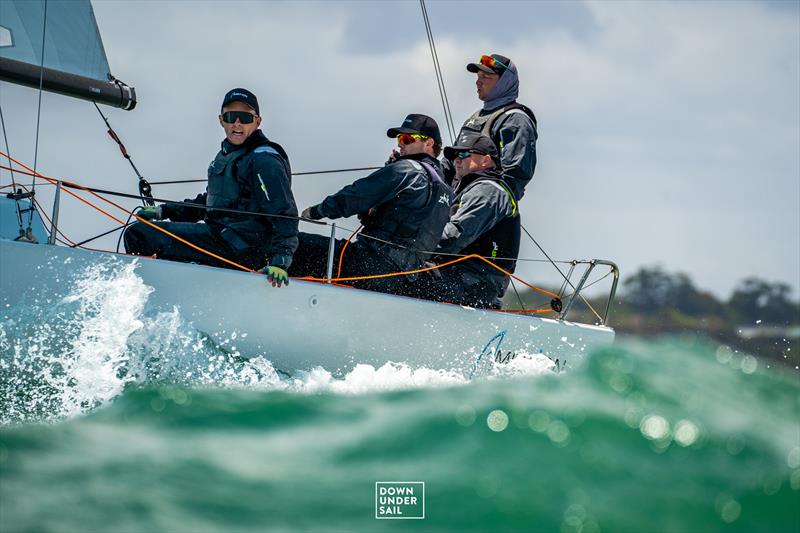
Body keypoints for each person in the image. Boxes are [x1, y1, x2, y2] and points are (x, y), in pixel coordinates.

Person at [124, 88, 298, 287]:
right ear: (221, 120)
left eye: (244, 117)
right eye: (231, 116)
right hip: (222, 237)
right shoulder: (230, 154)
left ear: (257, 121)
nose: (237, 123)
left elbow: (284, 213)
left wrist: (281, 261)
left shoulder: (264, 159)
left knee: (140, 234)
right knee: (148, 233)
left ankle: (142, 291)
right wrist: (164, 210)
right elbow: (211, 201)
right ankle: (163, 288)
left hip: (242, 246)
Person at [289, 113, 453, 294]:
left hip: (370, 263)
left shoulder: (407, 170)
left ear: (428, 143)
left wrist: (317, 211)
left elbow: (356, 195)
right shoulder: (445, 190)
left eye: (407, 139)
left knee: (294, 244)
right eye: (399, 139)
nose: (400, 144)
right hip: (402, 278)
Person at [408, 133, 520, 309]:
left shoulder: (489, 191)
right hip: (458, 274)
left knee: (397, 273)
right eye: (454, 157)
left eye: (464, 155)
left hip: (476, 281)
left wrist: (410, 242)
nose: (457, 161)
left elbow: (453, 238)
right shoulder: (468, 187)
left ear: (485, 160)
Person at [443, 53, 538, 202]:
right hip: (456, 204)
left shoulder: (515, 119)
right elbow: (449, 165)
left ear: (505, 82)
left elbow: (515, 176)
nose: (478, 82)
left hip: (482, 207)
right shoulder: (475, 118)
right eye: (478, 76)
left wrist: (483, 205)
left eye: (486, 77)